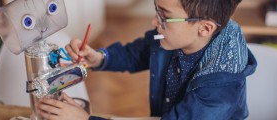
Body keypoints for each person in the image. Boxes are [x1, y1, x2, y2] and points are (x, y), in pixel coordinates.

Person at [38, 0, 257, 119]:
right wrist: (98, 58)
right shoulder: (172, 35)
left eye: (164, 16)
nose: (155, 21)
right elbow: (136, 53)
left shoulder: (219, 91)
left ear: (205, 28)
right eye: (156, 10)